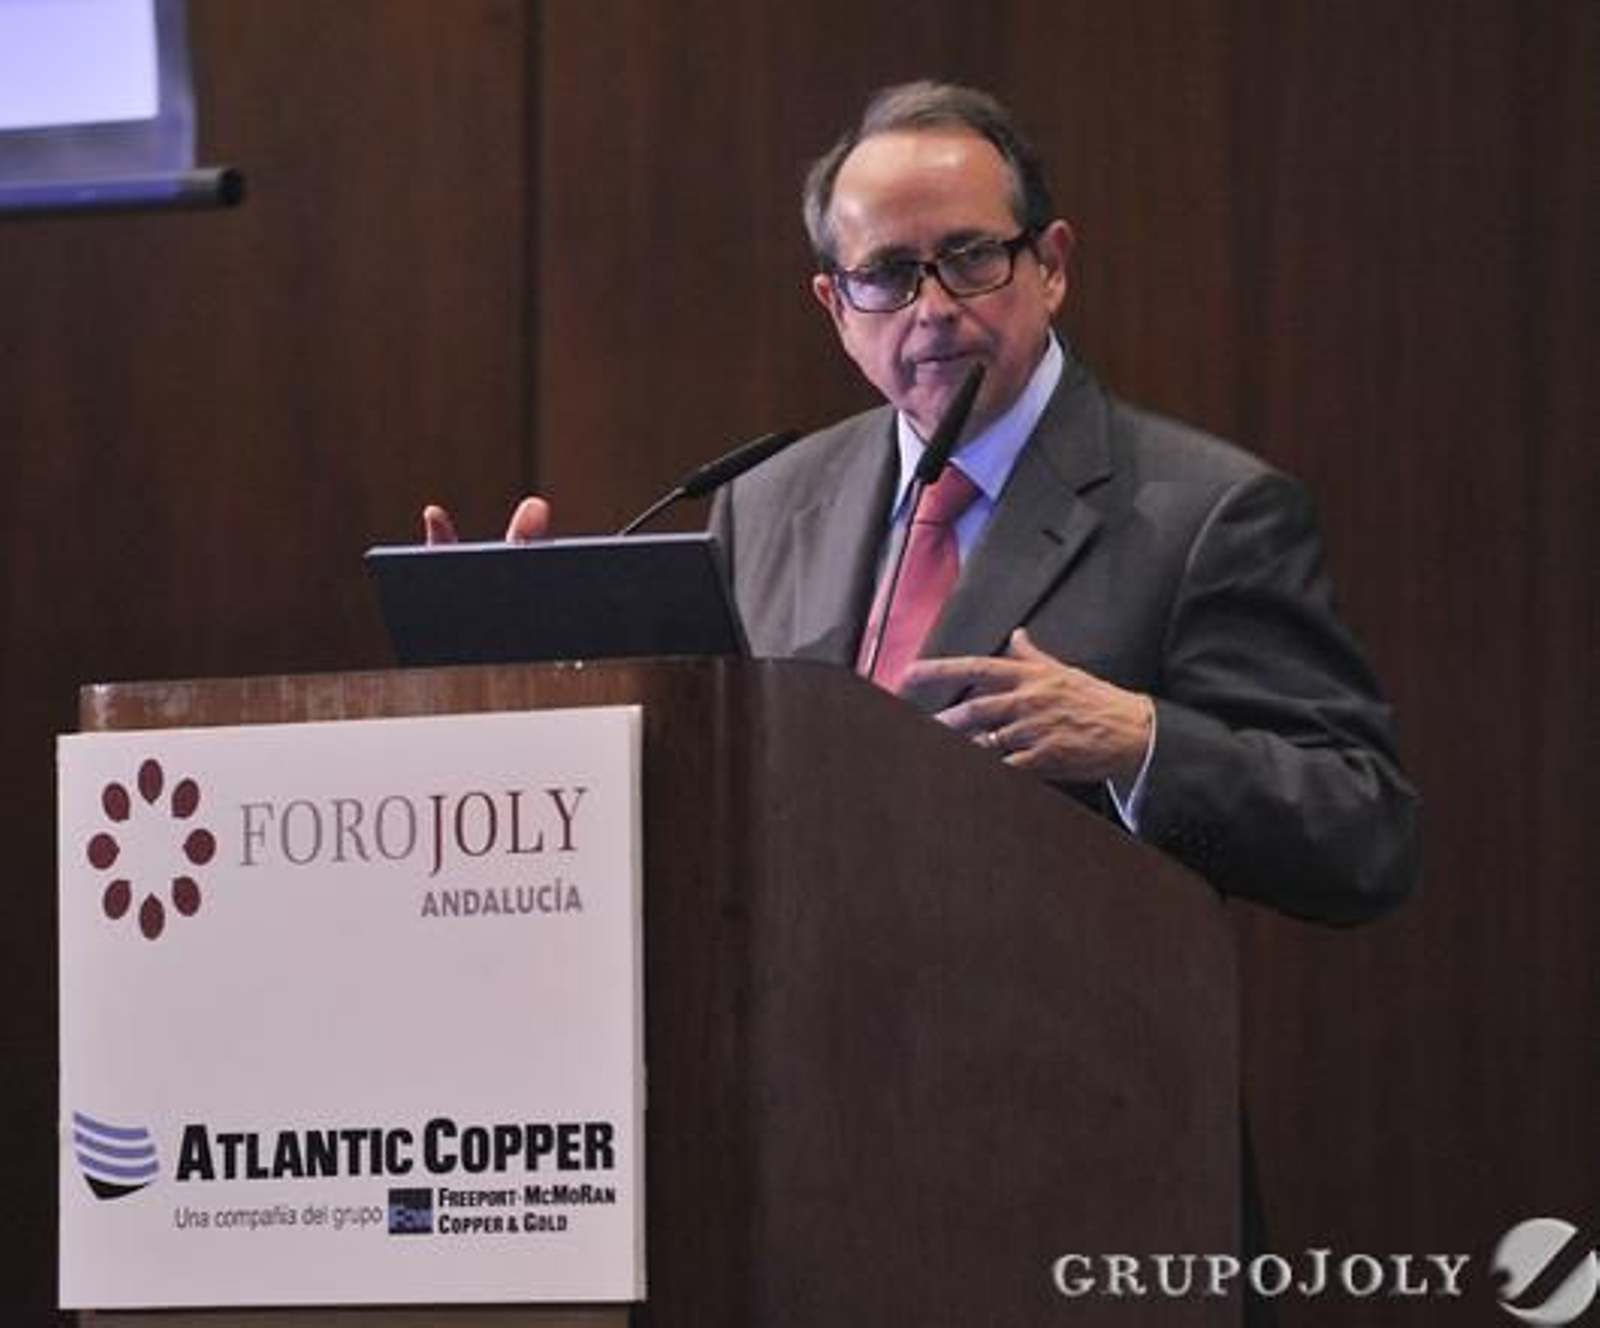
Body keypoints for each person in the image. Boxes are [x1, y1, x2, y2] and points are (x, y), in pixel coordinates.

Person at [428, 79, 1419, 925]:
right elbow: (715, 797)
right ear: (835, 306)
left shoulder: (1208, 511)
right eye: (890, 274)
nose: (935, 306)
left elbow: (1361, 835)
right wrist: (536, 682)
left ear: (1052, 264)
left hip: (1078, 1102)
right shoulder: (767, 504)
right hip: (796, 1101)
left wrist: (1144, 744)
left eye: (971, 256)